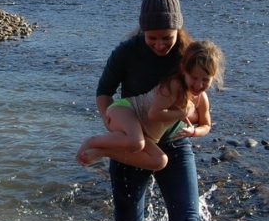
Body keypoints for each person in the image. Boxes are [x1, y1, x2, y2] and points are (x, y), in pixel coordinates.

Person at [93, 0, 216, 221]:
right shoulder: (126, 52)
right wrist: (112, 124)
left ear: (179, 30)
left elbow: (202, 91)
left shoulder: (189, 54)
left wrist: (197, 127)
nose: (161, 45)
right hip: (133, 146)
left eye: (167, 37)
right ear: (142, 31)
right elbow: (104, 92)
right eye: (153, 38)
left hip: (176, 145)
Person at [77, 40, 223, 172]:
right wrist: (181, 114)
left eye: (205, 80)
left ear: (213, 76)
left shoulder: (201, 98)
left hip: (145, 132)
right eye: (194, 78)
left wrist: (194, 132)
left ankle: (103, 152)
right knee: (136, 143)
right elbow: (154, 114)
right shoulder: (173, 87)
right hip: (126, 109)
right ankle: (92, 141)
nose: (199, 84)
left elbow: (206, 125)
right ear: (184, 70)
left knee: (160, 161)